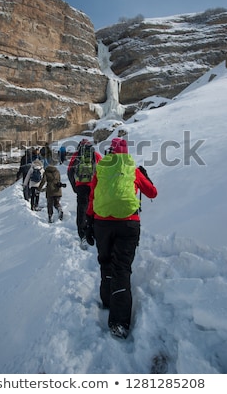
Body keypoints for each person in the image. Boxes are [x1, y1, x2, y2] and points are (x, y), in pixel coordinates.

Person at [86, 137, 157, 339]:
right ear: (125, 153)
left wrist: (89, 222)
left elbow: (92, 197)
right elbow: (152, 193)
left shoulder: (101, 169)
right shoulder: (132, 169)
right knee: (122, 268)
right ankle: (119, 323)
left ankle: (107, 300)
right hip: (128, 224)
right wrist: (144, 176)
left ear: (109, 151)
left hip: (102, 224)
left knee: (105, 262)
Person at [67, 139, 102, 248]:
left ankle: (82, 234)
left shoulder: (76, 155)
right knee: (94, 208)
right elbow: (102, 170)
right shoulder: (96, 155)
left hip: (81, 186)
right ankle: (94, 232)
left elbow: (70, 171)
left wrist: (74, 186)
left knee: (82, 209)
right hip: (93, 185)